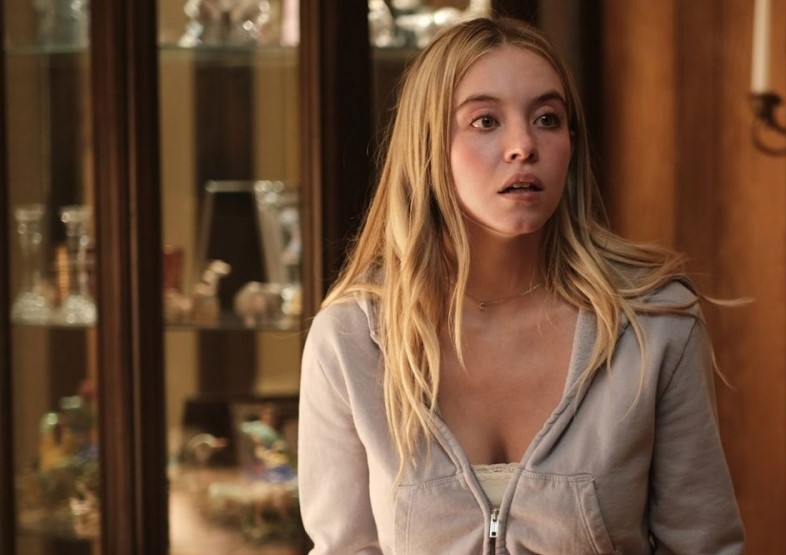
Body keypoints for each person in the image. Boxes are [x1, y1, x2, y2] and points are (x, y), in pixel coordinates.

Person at [298, 17, 744, 554]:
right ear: (427, 147)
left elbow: (702, 544)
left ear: (571, 145)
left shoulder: (652, 323)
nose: (523, 146)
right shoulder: (351, 340)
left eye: (547, 119)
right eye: (485, 121)